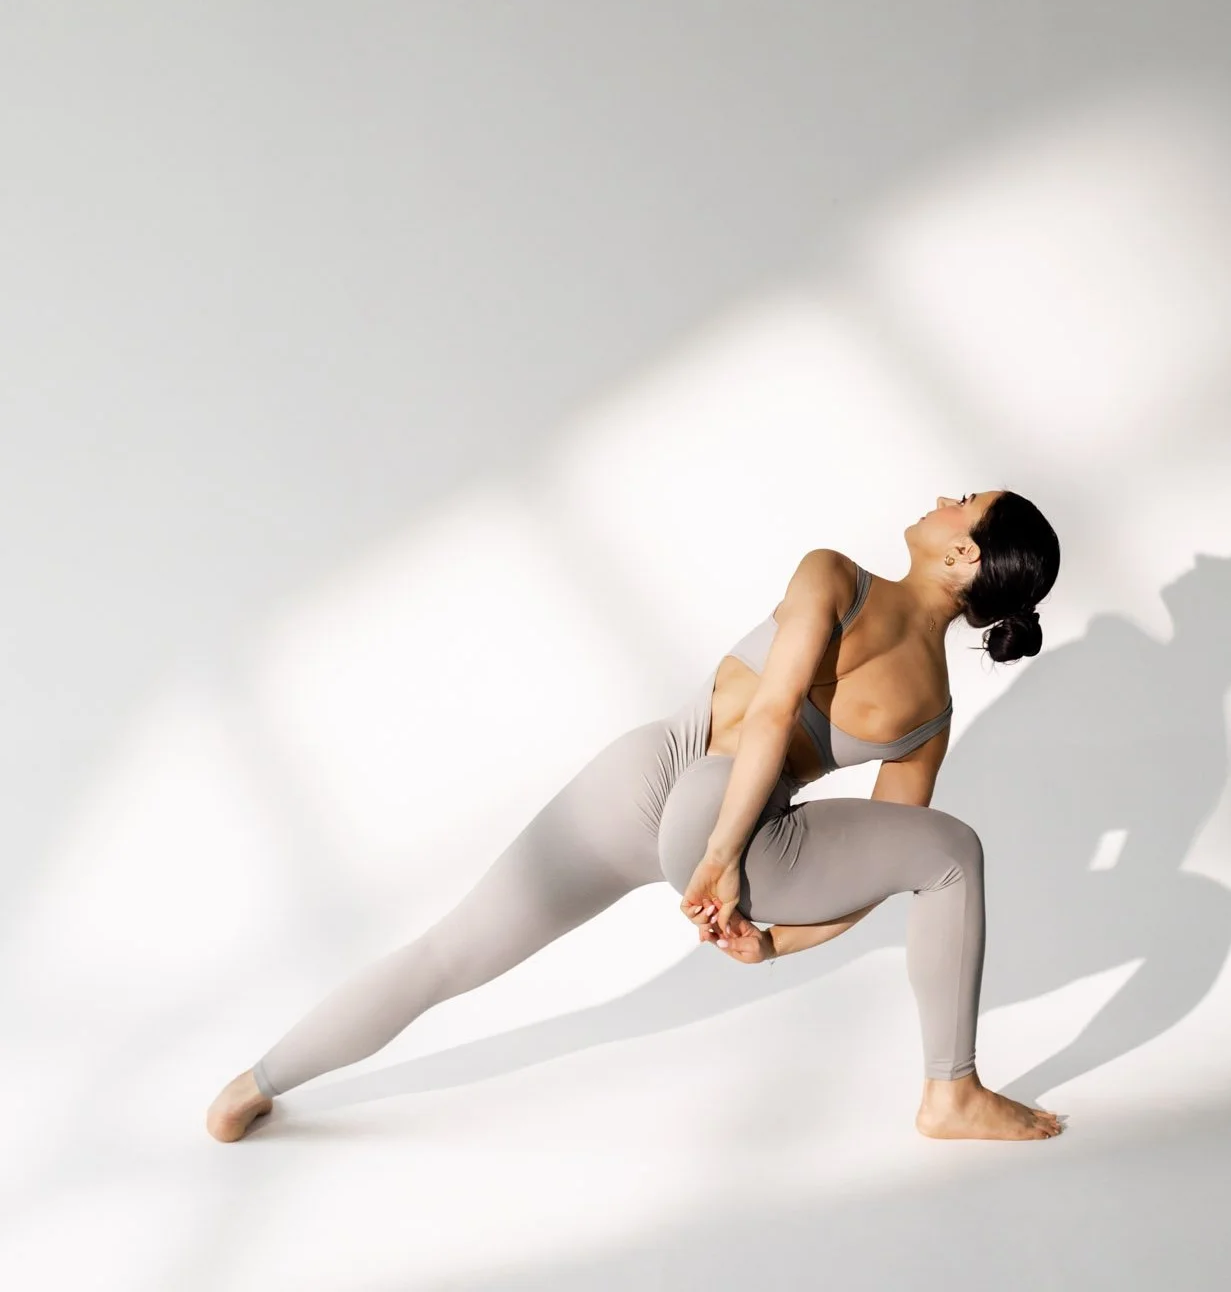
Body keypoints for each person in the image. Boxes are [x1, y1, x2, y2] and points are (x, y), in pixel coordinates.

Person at [207, 488, 1063, 1143]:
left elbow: (772, 712)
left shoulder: (833, 574)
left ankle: (251, 1087)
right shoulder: (929, 711)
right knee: (948, 854)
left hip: (655, 785)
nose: (941, 496)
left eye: (962, 500)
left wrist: (721, 856)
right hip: (724, 834)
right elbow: (873, 879)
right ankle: (949, 1090)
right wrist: (768, 938)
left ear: (962, 552)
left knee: (446, 954)